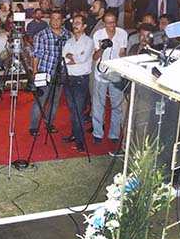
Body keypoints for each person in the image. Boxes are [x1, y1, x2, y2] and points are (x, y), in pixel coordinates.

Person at [30, 10, 70, 136]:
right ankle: (34, 126)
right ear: (50, 20)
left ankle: (49, 123)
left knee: (55, 101)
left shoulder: (67, 35)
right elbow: (36, 55)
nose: (56, 21)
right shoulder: (41, 35)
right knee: (40, 101)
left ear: (62, 20)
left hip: (60, 73)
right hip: (44, 72)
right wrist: (35, 72)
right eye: (53, 18)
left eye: (59, 18)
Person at [91, 11, 127, 144]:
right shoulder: (98, 35)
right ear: (104, 23)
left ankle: (114, 134)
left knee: (116, 105)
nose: (111, 25)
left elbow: (122, 52)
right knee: (98, 105)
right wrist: (101, 48)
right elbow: (95, 57)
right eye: (108, 23)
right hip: (101, 74)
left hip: (116, 73)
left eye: (113, 22)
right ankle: (97, 133)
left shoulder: (122, 33)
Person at [62, 15, 94, 152]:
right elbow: (63, 56)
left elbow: (82, 58)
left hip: (81, 79)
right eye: (74, 23)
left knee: (79, 110)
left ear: (84, 26)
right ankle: (74, 134)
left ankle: (80, 140)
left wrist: (72, 56)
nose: (75, 25)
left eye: (78, 23)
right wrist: (74, 57)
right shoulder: (69, 41)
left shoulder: (88, 41)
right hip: (68, 78)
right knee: (72, 109)